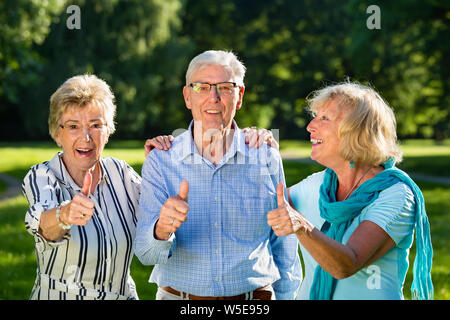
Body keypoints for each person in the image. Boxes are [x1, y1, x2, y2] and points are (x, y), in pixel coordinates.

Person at [134, 50, 301, 300]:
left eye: (224, 87)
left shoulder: (265, 157)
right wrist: (162, 229)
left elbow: (284, 244)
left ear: (239, 96)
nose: (213, 98)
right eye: (202, 87)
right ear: (187, 96)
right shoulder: (161, 161)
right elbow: (146, 255)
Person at [266, 82, 433, 299]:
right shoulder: (317, 185)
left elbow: (346, 264)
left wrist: (302, 226)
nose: (310, 126)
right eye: (315, 116)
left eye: (324, 118)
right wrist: (259, 153)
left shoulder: (396, 194)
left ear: (356, 131)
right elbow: (254, 206)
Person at [22, 75, 141, 300]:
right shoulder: (42, 176)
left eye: (95, 125)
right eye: (73, 127)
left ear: (108, 130)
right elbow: (44, 226)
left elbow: (157, 217)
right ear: (58, 134)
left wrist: (163, 160)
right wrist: (64, 215)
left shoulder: (121, 173)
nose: (86, 137)